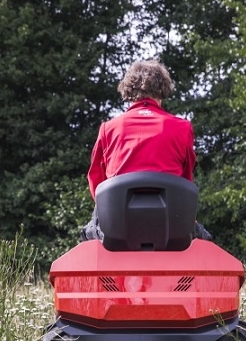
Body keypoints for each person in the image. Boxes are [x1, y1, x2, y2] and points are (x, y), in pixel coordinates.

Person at [80, 60, 211, 242]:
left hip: (117, 226)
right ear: (163, 89)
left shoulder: (109, 128)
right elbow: (186, 177)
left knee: (86, 238)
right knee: (205, 242)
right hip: (171, 226)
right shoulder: (182, 128)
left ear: (129, 90)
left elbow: (96, 180)